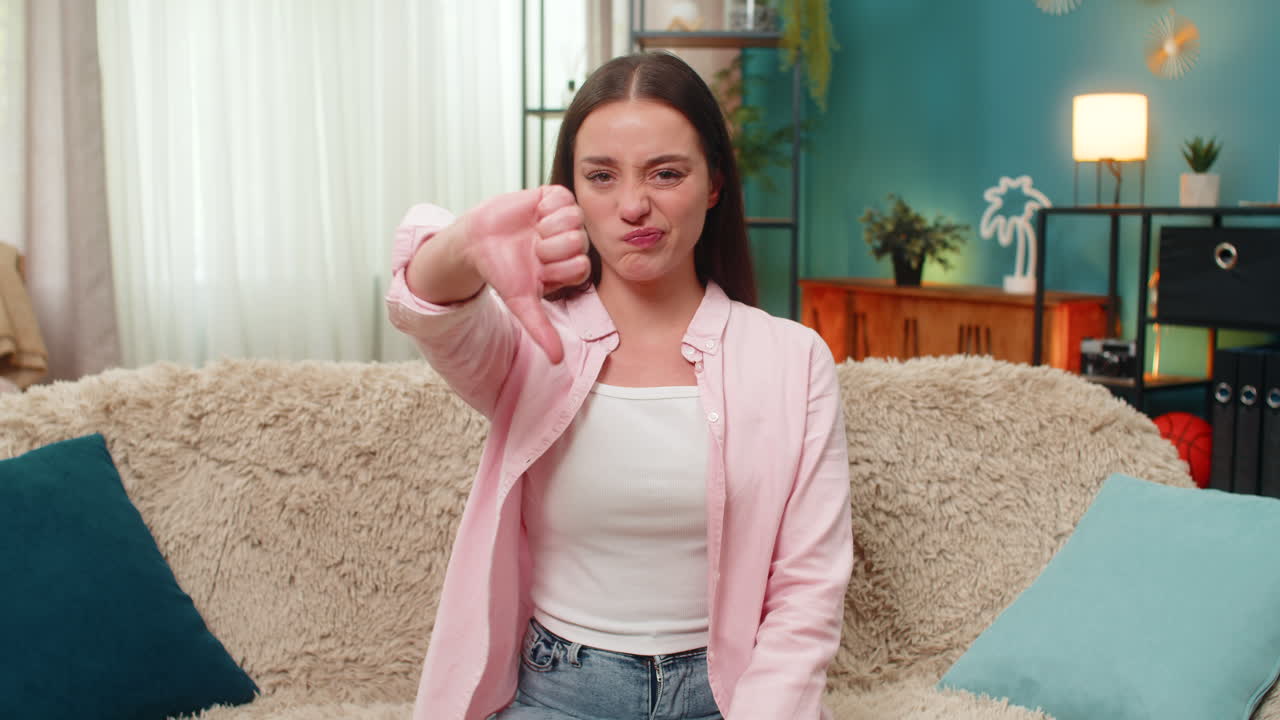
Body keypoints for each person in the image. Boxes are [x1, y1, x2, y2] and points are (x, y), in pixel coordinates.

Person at [386, 51, 852, 720]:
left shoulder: (794, 359)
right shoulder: (529, 343)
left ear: (714, 184)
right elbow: (426, 308)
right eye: (601, 176)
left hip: (733, 698)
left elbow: (808, 589)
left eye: (666, 173)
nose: (634, 205)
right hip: (557, 693)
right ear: (570, 192)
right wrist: (464, 244)